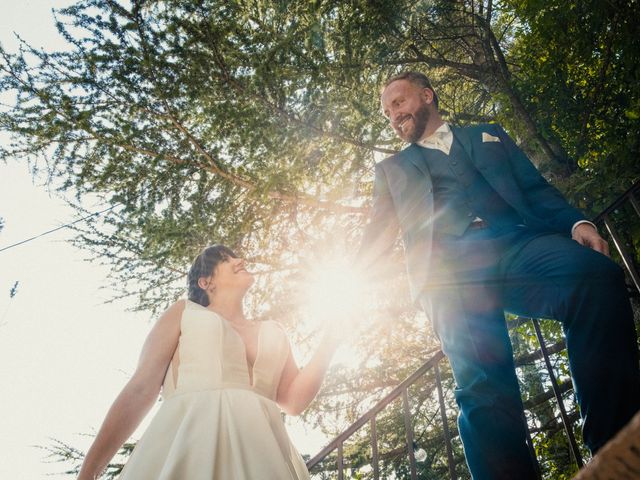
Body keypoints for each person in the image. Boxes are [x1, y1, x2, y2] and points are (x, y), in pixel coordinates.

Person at [357, 70, 640, 479]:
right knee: (482, 384)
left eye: (398, 103)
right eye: (386, 113)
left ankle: (616, 447)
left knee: (594, 277)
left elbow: (535, 188)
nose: (393, 115)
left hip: (515, 245)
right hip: (448, 271)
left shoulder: (488, 134)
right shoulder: (391, 170)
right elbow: (377, 232)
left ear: (427, 95)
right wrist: (355, 277)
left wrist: (579, 224)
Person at [77, 245, 339, 480]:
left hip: (265, 455)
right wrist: (88, 473)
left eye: (237, 256)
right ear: (205, 282)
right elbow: (140, 389)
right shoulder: (184, 313)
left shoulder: (275, 331)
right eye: (226, 259)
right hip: (190, 448)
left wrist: (332, 339)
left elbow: (293, 401)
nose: (239, 260)